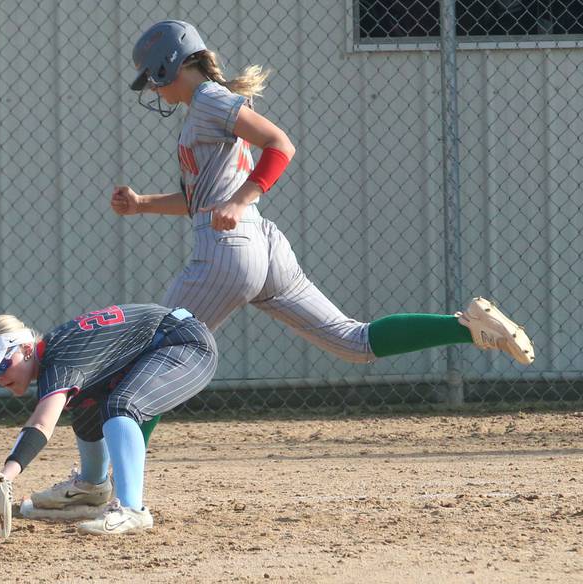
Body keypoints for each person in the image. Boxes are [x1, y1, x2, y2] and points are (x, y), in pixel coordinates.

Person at [112, 19, 534, 369]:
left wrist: (240, 200)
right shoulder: (205, 108)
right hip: (260, 244)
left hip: (228, 247)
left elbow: (280, 145)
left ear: (168, 65)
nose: (151, 88)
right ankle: (466, 327)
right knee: (354, 341)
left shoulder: (207, 100)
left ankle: (102, 473)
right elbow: (202, 198)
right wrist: (142, 204)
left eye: (151, 77)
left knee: (156, 353)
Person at [0, 302, 217, 535]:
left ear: (26, 349)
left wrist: (4, 477)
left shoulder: (61, 360)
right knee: (84, 401)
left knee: (121, 406)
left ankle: (132, 509)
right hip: (163, 345)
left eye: (2, 365)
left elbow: (42, 423)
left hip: (186, 345)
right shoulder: (54, 356)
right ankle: (93, 486)